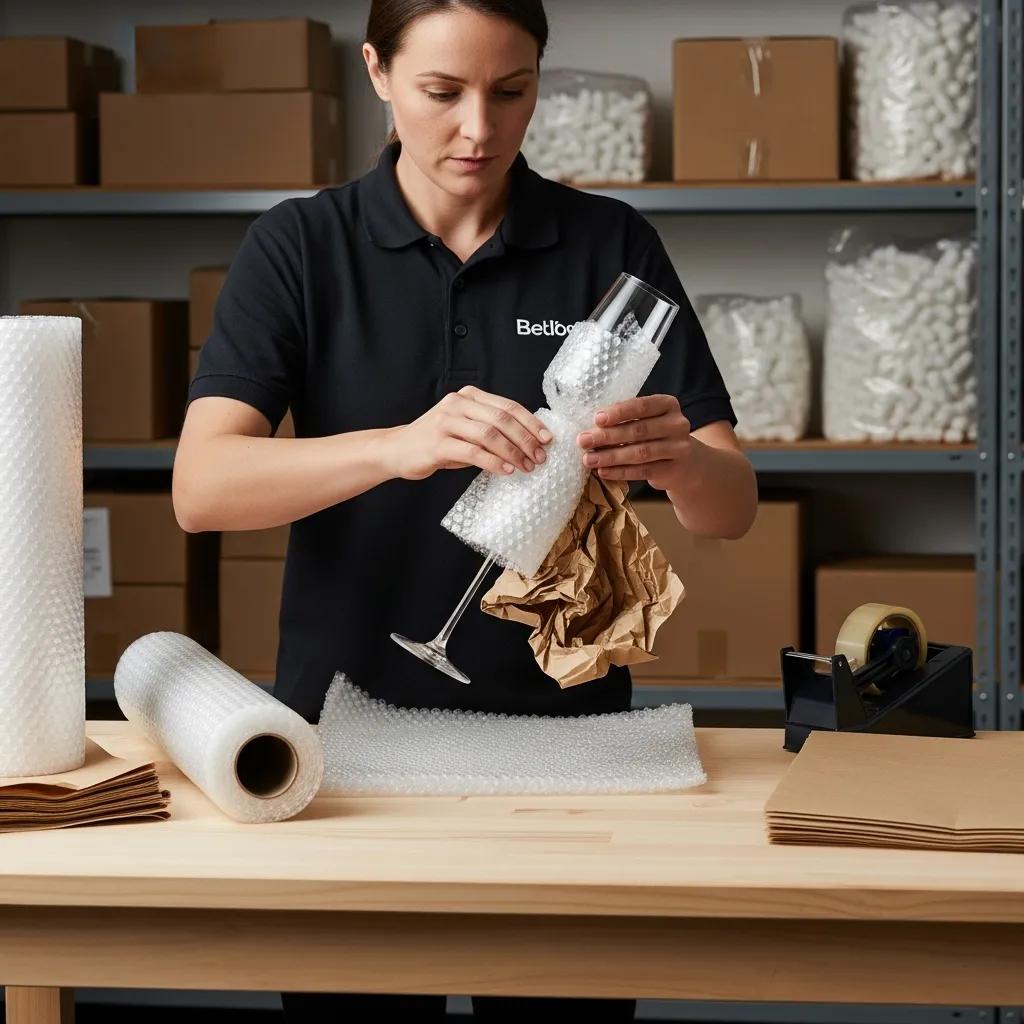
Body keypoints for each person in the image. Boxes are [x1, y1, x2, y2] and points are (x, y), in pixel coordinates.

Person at [173, 1, 757, 1019]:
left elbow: (731, 507)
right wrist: (397, 447)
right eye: (442, 93)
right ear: (379, 75)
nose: (479, 129)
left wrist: (679, 464)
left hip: (565, 745)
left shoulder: (606, 243)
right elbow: (202, 488)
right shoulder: (302, 245)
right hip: (347, 744)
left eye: (512, 91)